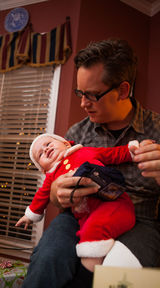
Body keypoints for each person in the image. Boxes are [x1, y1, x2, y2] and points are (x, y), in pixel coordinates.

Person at [22, 39, 160, 288]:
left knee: (120, 279)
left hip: (141, 220)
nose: (83, 103)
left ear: (123, 90)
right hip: (80, 215)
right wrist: (56, 193)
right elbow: (54, 193)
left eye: (92, 95)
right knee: (46, 261)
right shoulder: (77, 133)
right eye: (79, 93)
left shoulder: (157, 129)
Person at [16, 133, 138, 270]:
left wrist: (130, 150)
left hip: (113, 203)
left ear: (66, 144)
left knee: (92, 236)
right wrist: (29, 216)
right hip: (85, 216)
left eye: (48, 144)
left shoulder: (85, 151)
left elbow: (111, 154)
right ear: (43, 169)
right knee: (85, 234)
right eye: (40, 155)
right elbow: (40, 196)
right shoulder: (52, 177)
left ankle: (88, 272)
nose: (45, 149)